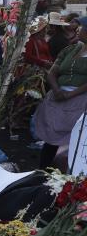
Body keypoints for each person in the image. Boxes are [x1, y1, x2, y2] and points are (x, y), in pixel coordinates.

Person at [32, 18, 87, 168]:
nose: (77, 30)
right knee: (51, 139)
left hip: (80, 100)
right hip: (57, 98)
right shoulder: (69, 50)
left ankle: (68, 179)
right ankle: (42, 171)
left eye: (81, 28)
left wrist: (70, 94)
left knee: (74, 141)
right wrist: (56, 89)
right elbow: (52, 72)